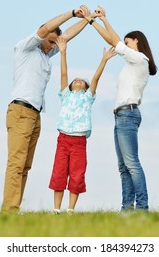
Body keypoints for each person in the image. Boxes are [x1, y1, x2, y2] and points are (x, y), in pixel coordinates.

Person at [1, 5, 92, 212]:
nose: (53, 46)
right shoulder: (26, 47)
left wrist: (88, 20)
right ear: (42, 36)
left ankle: (13, 208)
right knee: (16, 163)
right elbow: (46, 29)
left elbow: (65, 36)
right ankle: (9, 210)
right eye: (50, 42)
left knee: (25, 165)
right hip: (20, 111)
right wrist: (71, 13)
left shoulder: (45, 54)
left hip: (35, 115)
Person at [81, 7, 157, 211]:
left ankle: (142, 207)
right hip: (121, 115)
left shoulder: (140, 59)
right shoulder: (131, 64)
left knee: (132, 163)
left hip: (128, 114)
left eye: (128, 41)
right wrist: (99, 21)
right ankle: (127, 208)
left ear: (137, 42)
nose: (125, 44)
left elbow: (114, 41)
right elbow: (114, 41)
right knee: (123, 167)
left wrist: (97, 21)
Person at [48, 37, 116, 214]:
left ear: (86, 88)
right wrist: (63, 52)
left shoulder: (87, 97)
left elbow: (95, 78)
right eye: (75, 80)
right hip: (63, 140)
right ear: (70, 86)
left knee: (77, 175)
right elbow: (64, 74)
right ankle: (56, 209)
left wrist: (104, 60)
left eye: (81, 81)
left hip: (78, 142)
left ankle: (70, 209)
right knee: (59, 173)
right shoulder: (66, 95)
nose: (77, 80)